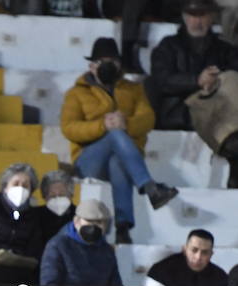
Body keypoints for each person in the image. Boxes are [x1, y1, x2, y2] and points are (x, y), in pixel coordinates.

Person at [63, 36, 176, 244]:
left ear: (119, 64)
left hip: (124, 159)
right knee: (114, 135)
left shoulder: (133, 89)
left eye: (112, 62)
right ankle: (150, 187)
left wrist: (127, 124)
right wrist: (102, 126)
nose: (108, 66)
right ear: (92, 65)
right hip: (88, 161)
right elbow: (69, 128)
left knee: (118, 162)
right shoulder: (76, 93)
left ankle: (123, 228)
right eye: (102, 62)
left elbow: (148, 118)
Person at [147, 0, 238, 138]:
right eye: (193, 14)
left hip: (215, 116)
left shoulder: (226, 50)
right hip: (175, 115)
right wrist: (197, 80)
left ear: (211, 17)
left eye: (202, 14)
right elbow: (161, 80)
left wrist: (217, 81)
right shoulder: (168, 46)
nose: (197, 21)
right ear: (184, 16)